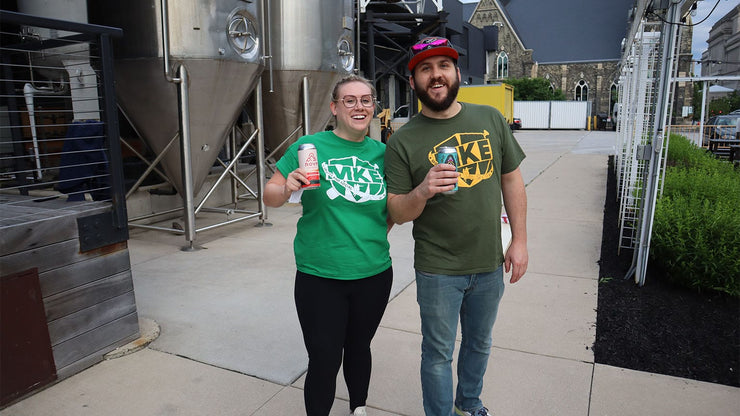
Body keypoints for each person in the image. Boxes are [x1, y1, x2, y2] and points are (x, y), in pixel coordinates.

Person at [384, 37, 528, 416]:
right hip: (437, 269)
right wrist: (423, 190)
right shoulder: (402, 140)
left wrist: (520, 241)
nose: (436, 75)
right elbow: (397, 212)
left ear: (457, 73)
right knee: (437, 353)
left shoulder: (490, 119)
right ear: (412, 81)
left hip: (488, 261)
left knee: (479, 343)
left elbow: (511, 180)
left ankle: (469, 403)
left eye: (443, 66)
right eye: (426, 69)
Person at [264, 75, 392, 416]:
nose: (359, 106)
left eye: (366, 100)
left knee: (359, 347)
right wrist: (287, 185)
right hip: (320, 275)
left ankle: (358, 409)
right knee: (324, 356)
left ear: (374, 108)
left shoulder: (384, 154)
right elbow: (270, 194)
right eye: (349, 100)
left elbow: (392, 208)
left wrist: (374, 236)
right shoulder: (309, 147)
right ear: (334, 108)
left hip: (374, 273)